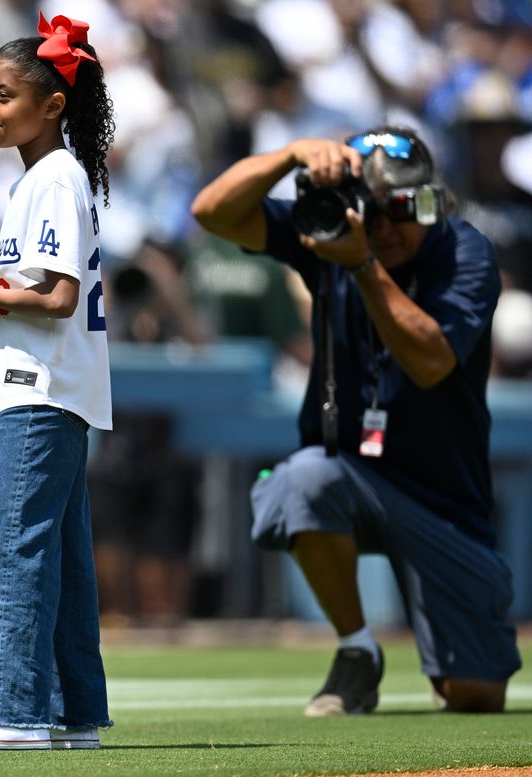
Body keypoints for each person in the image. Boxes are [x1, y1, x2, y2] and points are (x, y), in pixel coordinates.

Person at [191, 125, 522, 715]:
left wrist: (363, 264)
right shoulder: (328, 234)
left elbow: (430, 362)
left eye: (403, 210)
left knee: (473, 695)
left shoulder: (464, 251)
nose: (387, 228)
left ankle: (445, 653)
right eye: (372, 211)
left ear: (431, 202)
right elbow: (212, 211)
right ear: (349, 207)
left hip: (445, 499)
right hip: (351, 472)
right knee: (299, 480)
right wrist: (290, 154)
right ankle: (356, 651)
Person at [0, 12, 115, 751]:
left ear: (52, 105)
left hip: (38, 389)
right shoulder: (51, 177)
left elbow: (59, 298)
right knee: (60, 557)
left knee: (13, 548)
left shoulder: (53, 178)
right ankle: (70, 716)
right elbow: (45, 289)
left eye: (4, 94)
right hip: (57, 387)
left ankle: (13, 714)